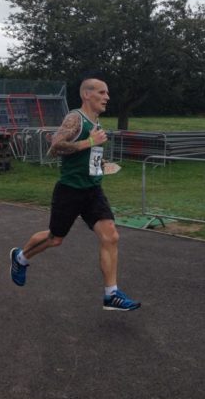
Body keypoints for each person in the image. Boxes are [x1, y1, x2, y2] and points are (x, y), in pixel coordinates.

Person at [10, 72, 141, 311]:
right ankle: (20, 258)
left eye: (107, 93)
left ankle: (111, 294)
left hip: (92, 189)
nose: (107, 97)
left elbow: (85, 155)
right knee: (55, 238)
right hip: (70, 190)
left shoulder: (96, 123)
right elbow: (55, 147)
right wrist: (89, 143)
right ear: (86, 94)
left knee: (110, 235)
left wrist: (99, 165)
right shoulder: (75, 118)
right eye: (102, 92)